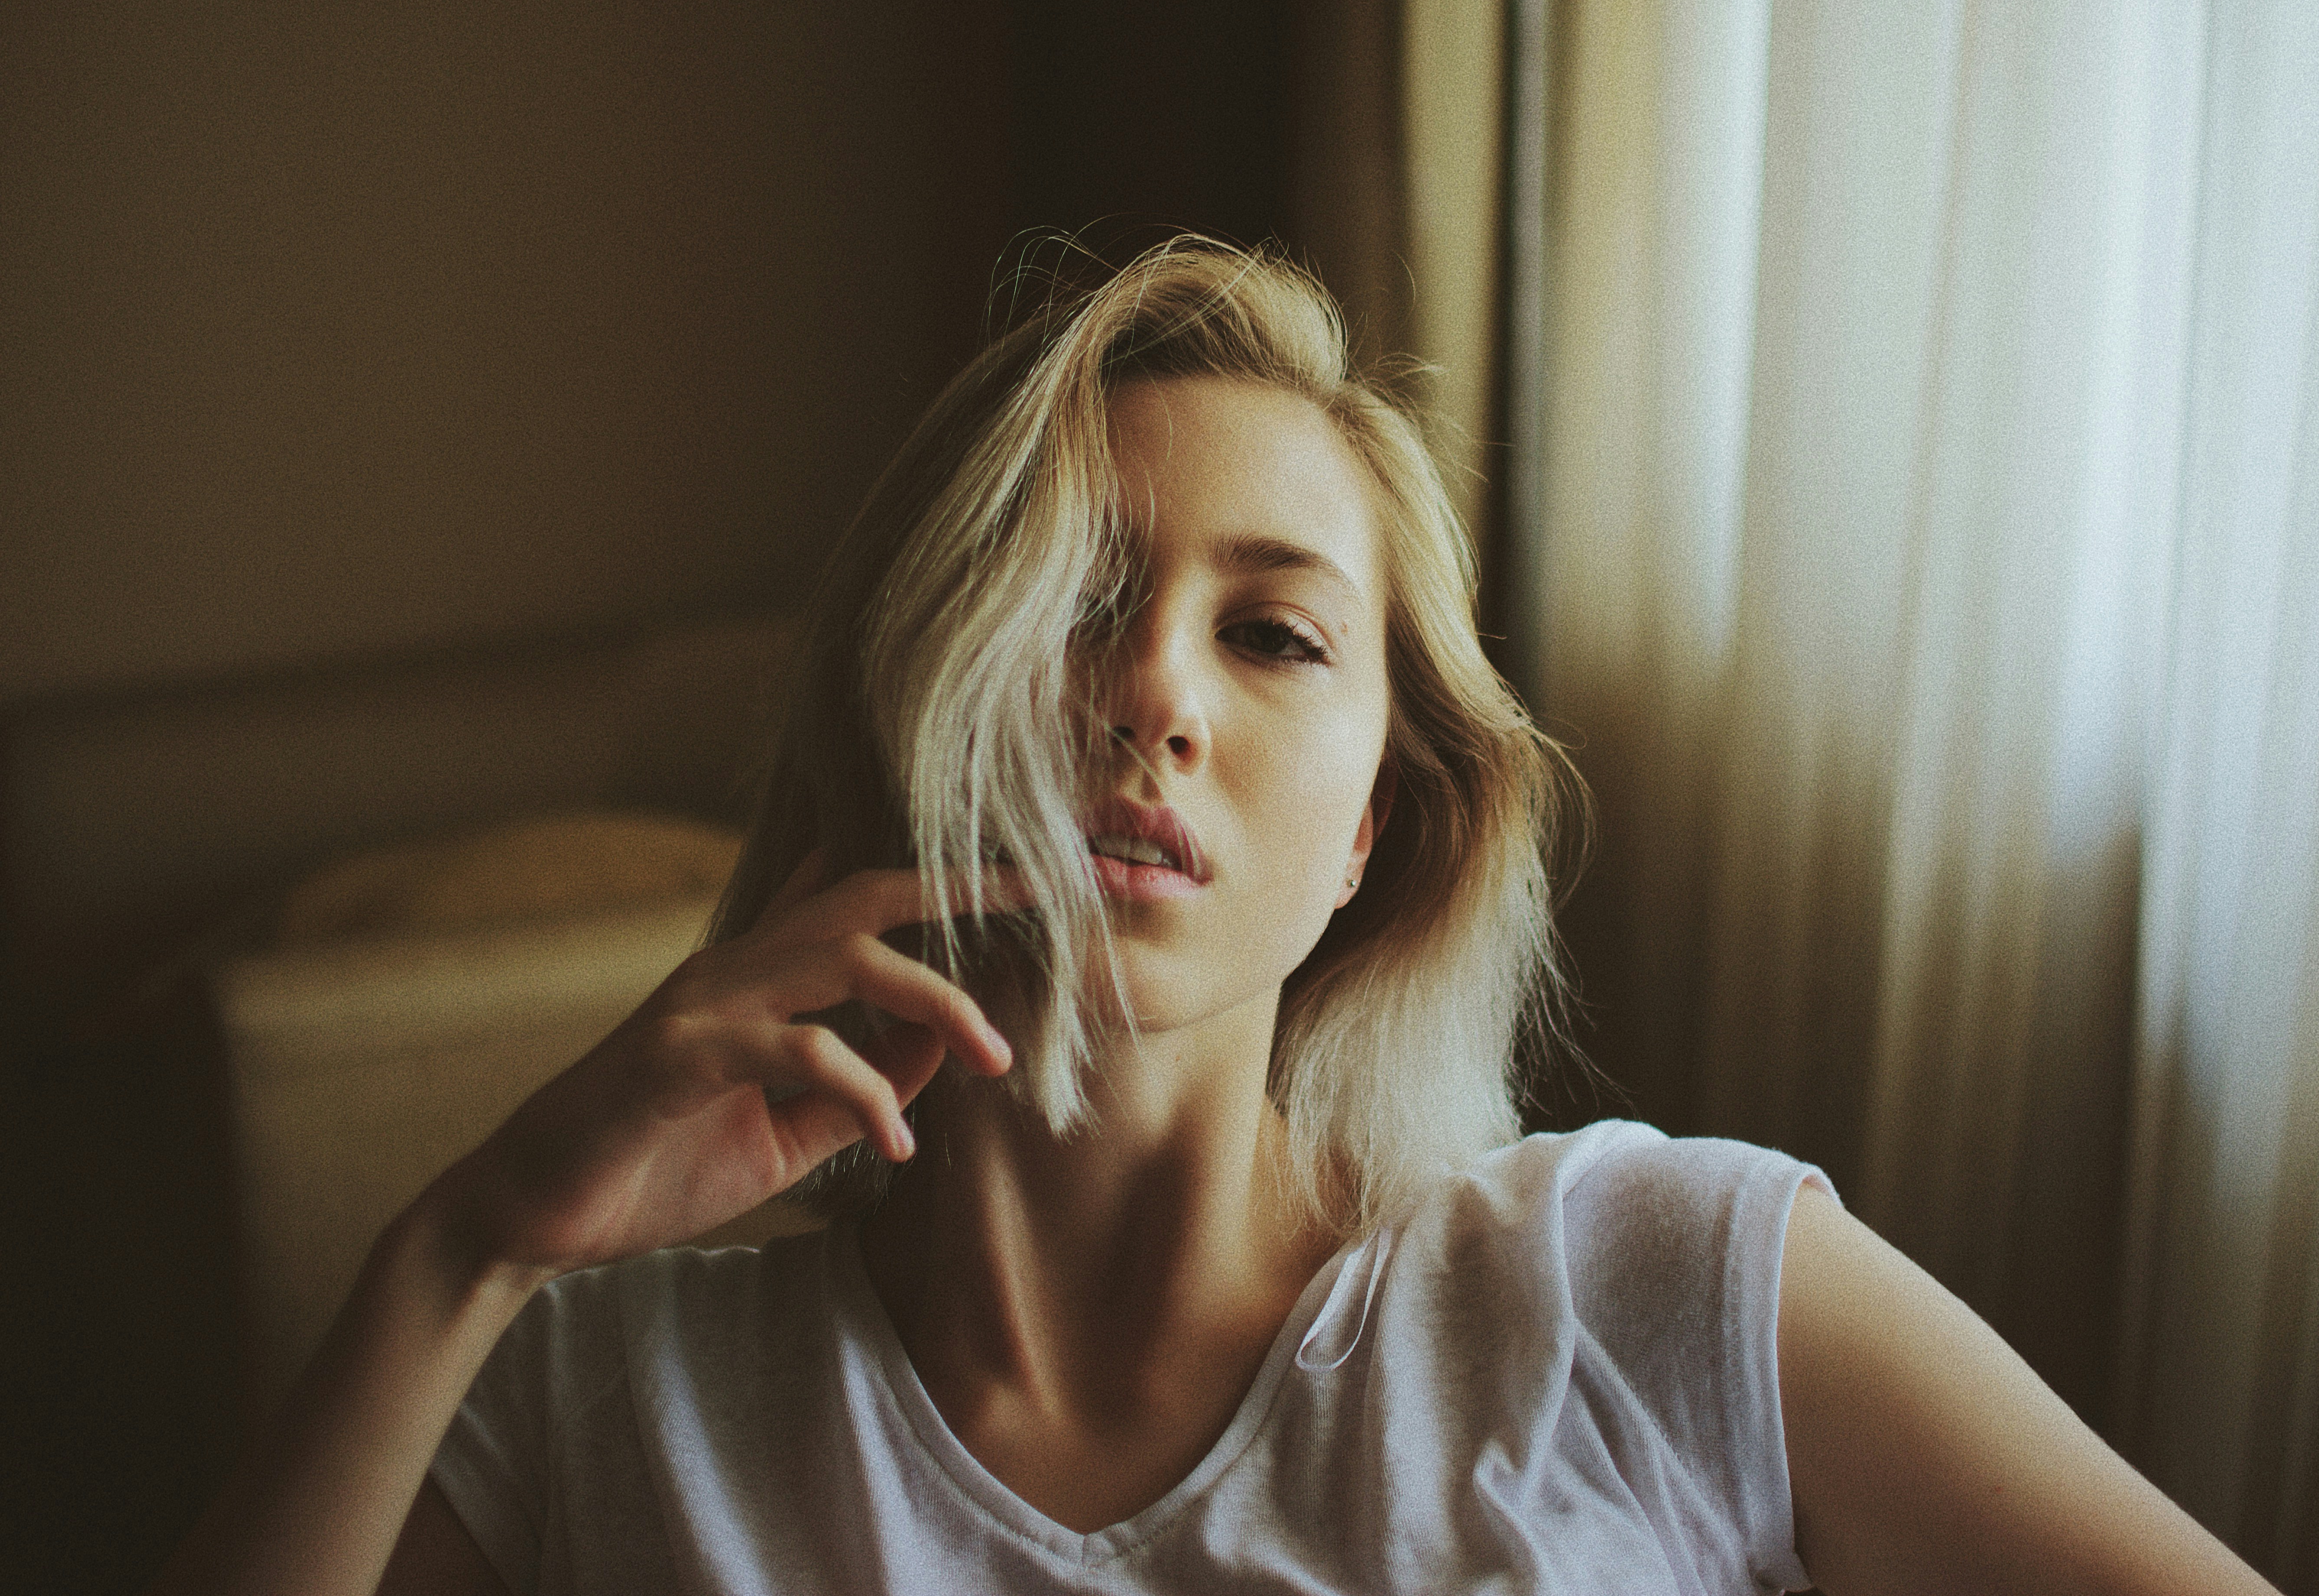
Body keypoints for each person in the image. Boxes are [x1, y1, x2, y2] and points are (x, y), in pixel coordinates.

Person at [154, 240, 2276, 1595]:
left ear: (1378, 831)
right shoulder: (591, 1404)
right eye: (1075, 601)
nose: (1152, 692)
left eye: (1271, 635)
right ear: (900, 711)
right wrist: (461, 1244)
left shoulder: (1657, 1286)